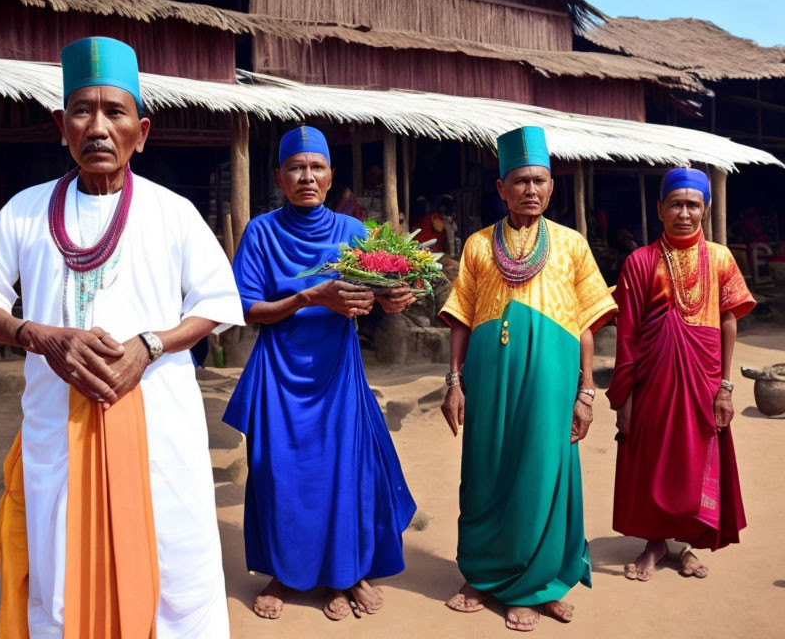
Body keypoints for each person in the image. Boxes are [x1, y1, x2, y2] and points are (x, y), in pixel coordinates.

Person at [0, 37, 243, 638]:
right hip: (60, 419)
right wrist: (41, 337)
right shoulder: (27, 212)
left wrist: (150, 345)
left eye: (116, 112)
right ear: (61, 126)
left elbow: (215, 302)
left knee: (172, 556)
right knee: (60, 554)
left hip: (157, 420)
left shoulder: (173, 213)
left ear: (142, 130)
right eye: (83, 110)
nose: (99, 127)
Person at [223, 126, 417, 622]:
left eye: (316, 167)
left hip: (337, 372)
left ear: (331, 177)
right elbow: (246, 310)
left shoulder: (353, 232)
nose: (306, 176)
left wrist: (392, 299)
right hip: (280, 373)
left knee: (343, 473)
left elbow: (380, 296)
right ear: (279, 178)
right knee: (277, 475)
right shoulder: (262, 232)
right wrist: (309, 297)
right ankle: (284, 573)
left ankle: (344, 572)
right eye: (296, 167)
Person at [438, 126, 616, 632]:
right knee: (485, 472)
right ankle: (483, 575)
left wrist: (586, 390)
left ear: (552, 185)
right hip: (489, 378)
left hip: (552, 377)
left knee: (545, 472)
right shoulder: (477, 246)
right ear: (501, 188)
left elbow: (584, 325)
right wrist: (454, 381)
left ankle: (538, 583)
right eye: (520, 181)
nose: (531, 190)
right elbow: (461, 320)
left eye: (539, 180)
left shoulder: (572, 245)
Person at [607, 167, 754, 581]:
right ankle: (655, 542)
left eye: (693, 205)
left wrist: (725, 387)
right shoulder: (639, 262)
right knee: (653, 458)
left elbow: (729, 322)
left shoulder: (721, 258)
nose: (684, 213)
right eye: (676, 204)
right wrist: (626, 397)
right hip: (652, 381)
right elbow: (629, 333)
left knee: (695, 459)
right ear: (660, 209)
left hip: (705, 380)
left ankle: (686, 544)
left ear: (705, 210)